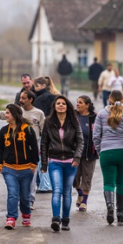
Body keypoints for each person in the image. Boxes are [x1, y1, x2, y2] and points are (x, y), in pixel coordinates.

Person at [0, 90, 45, 209]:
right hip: (13, 152)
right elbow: (2, 115)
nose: (20, 100)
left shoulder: (38, 113)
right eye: (20, 98)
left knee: (31, 179)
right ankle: (17, 201)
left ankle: (29, 201)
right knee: (15, 183)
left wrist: (41, 152)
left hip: (31, 148)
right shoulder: (16, 112)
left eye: (23, 98)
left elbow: (44, 131)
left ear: (30, 99)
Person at [93, 90, 123, 225]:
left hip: (107, 152)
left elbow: (96, 135)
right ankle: (120, 213)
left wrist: (99, 150)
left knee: (109, 183)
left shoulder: (102, 114)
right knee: (121, 182)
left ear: (109, 99)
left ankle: (110, 207)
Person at [41, 95, 84, 232]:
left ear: (67, 106)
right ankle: (55, 219)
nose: (60, 105)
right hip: (54, 161)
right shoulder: (48, 122)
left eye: (63, 103)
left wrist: (77, 158)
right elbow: (44, 143)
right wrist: (44, 164)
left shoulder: (74, 122)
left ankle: (65, 220)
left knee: (66, 192)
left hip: (71, 162)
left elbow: (80, 142)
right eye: (58, 103)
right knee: (57, 190)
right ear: (54, 106)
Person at [0, 104, 39, 229]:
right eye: (5, 112)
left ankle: (26, 215)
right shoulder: (4, 131)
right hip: (9, 168)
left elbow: (34, 149)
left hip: (26, 169)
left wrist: (33, 164)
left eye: (8, 113)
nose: (5, 115)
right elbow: (0, 148)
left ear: (15, 114)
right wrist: (0, 164)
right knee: (12, 193)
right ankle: (11, 218)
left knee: (25, 196)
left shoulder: (28, 129)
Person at [73, 95, 98, 212]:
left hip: (90, 152)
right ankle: (80, 193)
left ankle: (84, 202)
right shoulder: (73, 116)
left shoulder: (94, 117)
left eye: (80, 103)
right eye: (77, 102)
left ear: (87, 105)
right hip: (74, 153)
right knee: (75, 178)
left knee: (87, 178)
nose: (77, 104)